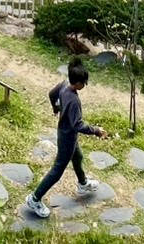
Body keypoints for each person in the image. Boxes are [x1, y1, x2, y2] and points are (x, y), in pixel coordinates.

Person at [25, 59, 107, 219]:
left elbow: (51, 94)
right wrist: (96, 131)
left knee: (78, 156)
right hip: (67, 137)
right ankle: (34, 198)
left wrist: (56, 108)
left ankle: (82, 184)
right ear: (77, 83)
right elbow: (78, 125)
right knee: (57, 171)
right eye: (84, 83)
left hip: (66, 133)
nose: (85, 85)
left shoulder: (63, 85)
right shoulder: (74, 100)